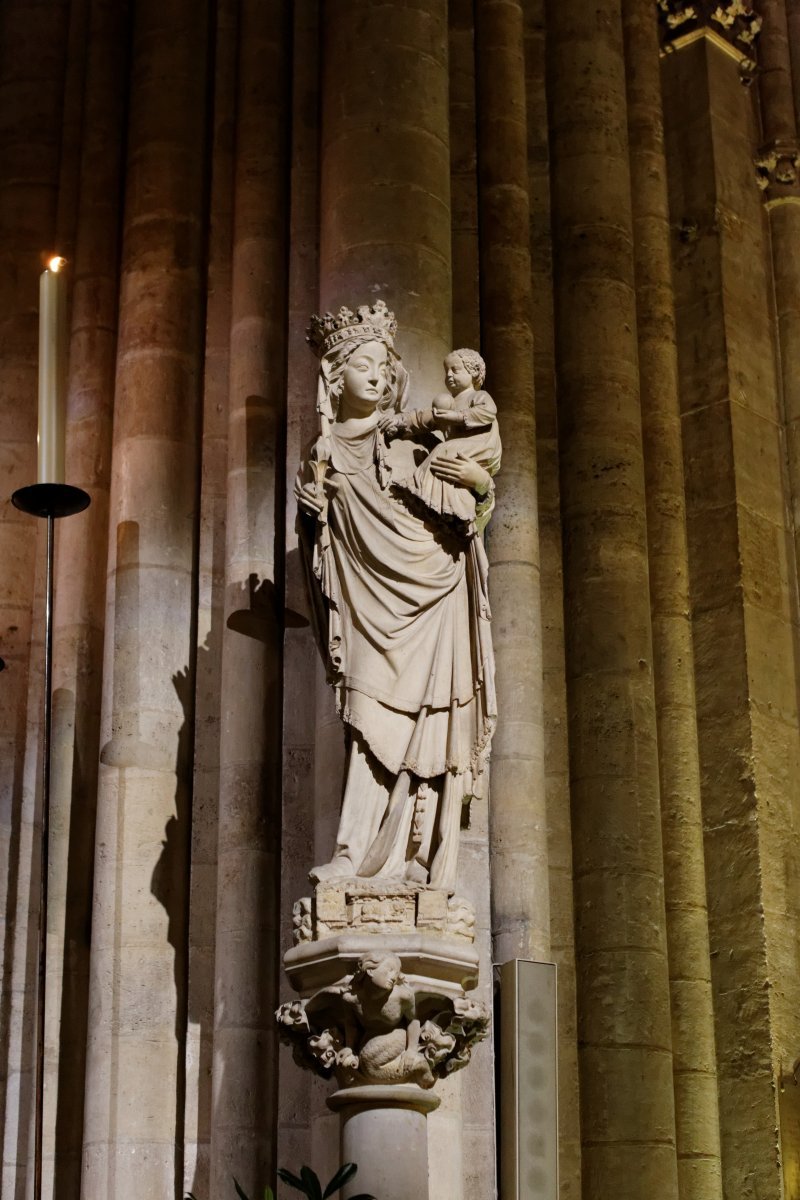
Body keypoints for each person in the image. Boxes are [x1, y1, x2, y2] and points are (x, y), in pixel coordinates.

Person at [294, 302, 497, 892]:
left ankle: (417, 861)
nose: (377, 374)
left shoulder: (409, 441)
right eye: (362, 363)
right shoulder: (324, 456)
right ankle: (355, 855)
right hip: (367, 609)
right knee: (366, 723)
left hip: (433, 594)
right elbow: (323, 554)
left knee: (429, 727)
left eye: (384, 364)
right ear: (335, 378)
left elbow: (463, 515)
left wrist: (481, 490)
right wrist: (312, 521)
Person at [379, 348, 502, 535]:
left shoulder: (478, 397)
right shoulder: (448, 403)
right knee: (442, 453)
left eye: (455, 370)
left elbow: (487, 413)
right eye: (447, 372)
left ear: (473, 372)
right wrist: (398, 421)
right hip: (452, 458)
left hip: (475, 449)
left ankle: (419, 490)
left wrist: (457, 417)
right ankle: (429, 499)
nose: (449, 376)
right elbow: (421, 419)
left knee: (442, 451)